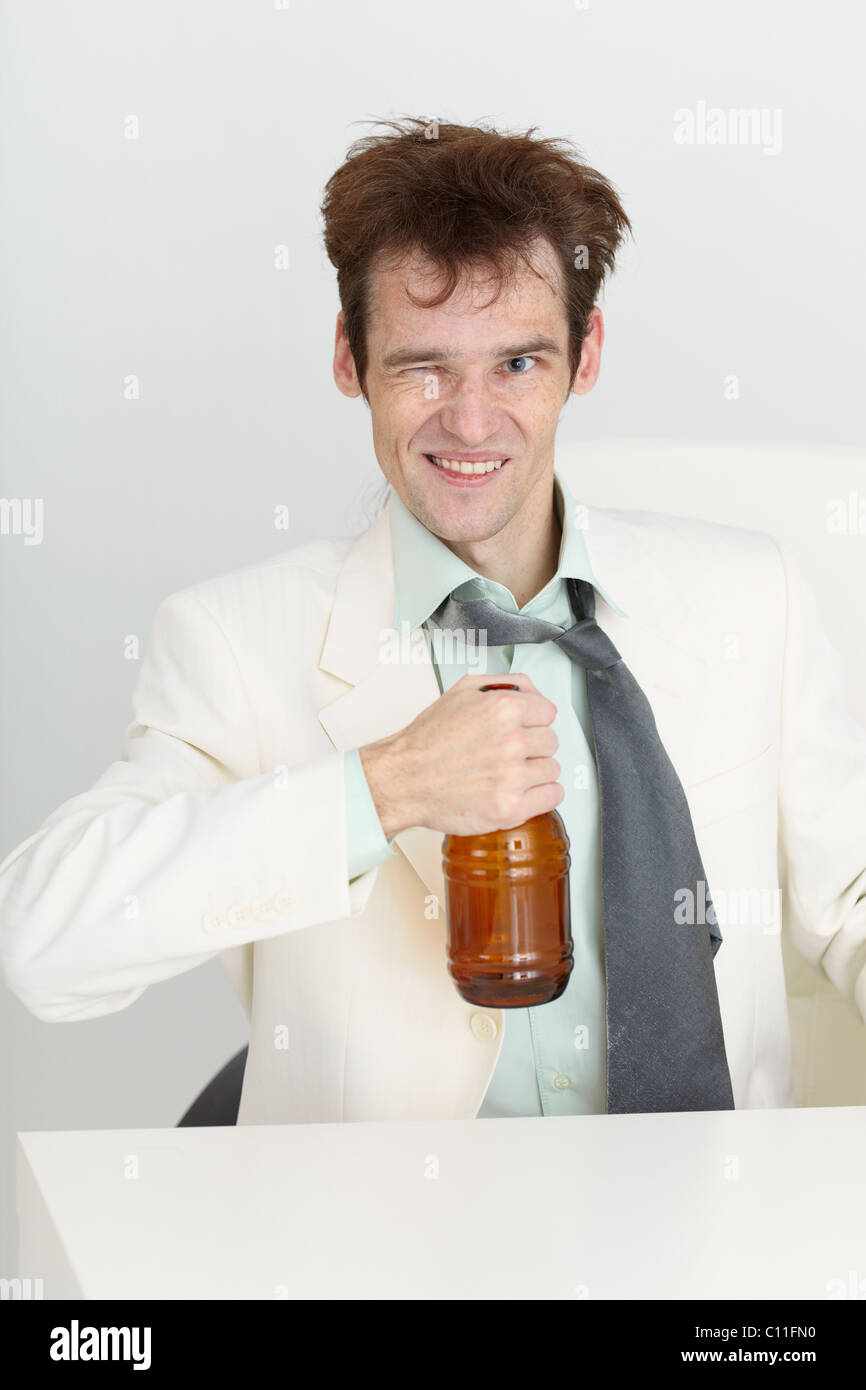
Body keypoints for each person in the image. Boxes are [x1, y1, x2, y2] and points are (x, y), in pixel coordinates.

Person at [2, 117, 864, 1124]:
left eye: (515, 364)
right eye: (421, 366)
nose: (467, 419)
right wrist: (386, 786)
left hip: (715, 1245)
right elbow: (42, 944)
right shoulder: (234, 640)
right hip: (393, 1255)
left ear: (583, 357)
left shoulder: (752, 601)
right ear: (348, 358)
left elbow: (848, 898)